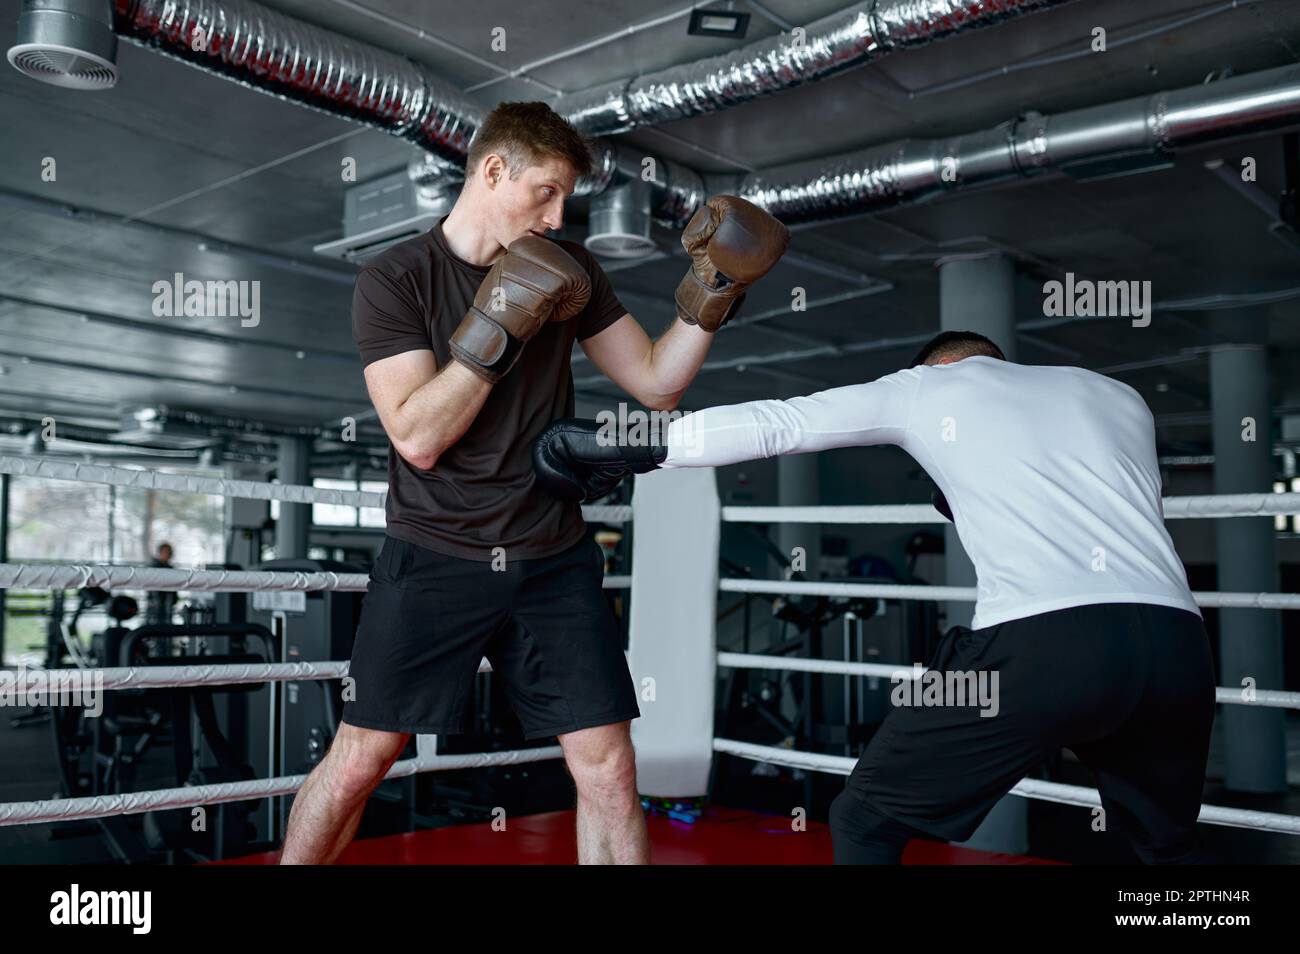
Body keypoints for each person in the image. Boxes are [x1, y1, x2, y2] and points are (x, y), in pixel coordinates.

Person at [279, 101, 788, 865]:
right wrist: (500, 322)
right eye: (545, 192)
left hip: (553, 557)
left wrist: (711, 290)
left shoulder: (574, 269)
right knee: (361, 761)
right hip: (436, 553)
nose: (556, 217)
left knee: (611, 767)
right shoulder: (396, 279)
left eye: (565, 200)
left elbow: (655, 383)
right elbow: (418, 437)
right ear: (493, 170)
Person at [533, 330, 1216, 864]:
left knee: (863, 820)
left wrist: (625, 444)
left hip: (1046, 645)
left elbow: (779, 423)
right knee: (1169, 847)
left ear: (937, 366)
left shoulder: (928, 389)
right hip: (1179, 646)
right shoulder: (1117, 395)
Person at [144, 541, 176, 626]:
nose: (167, 555)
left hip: (167, 603)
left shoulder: (171, 568)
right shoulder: (154, 567)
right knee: (153, 627)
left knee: (166, 627)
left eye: (169, 552)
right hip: (155, 603)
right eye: (165, 552)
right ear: (160, 553)